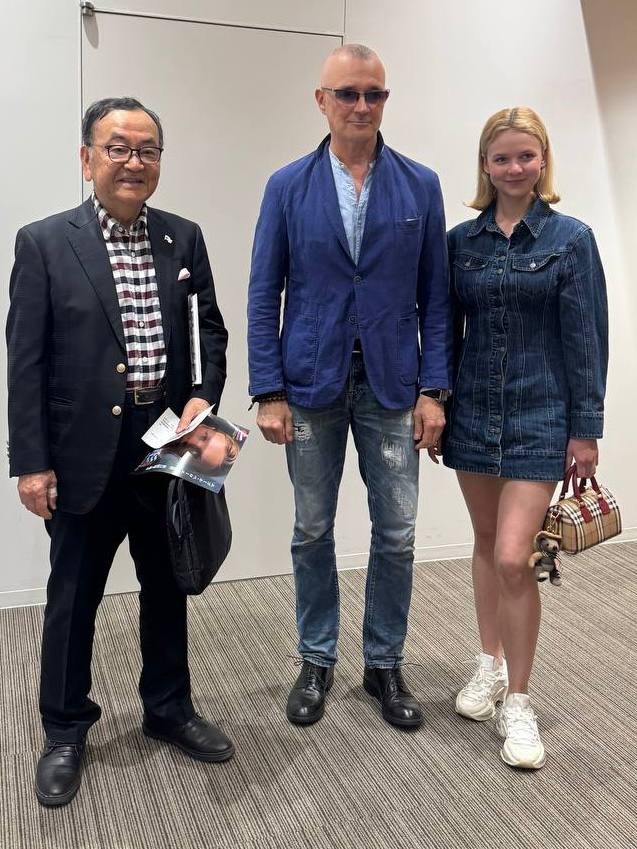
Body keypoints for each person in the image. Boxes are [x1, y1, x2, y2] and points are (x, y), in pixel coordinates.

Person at [6, 97, 233, 807]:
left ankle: (168, 708)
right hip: (82, 451)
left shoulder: (183, 238)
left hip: (165, 445)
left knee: (168, 583)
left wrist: (203, 396)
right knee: (74, 594)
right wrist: (31, 461)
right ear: (87, 159)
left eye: (147, 149)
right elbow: (25, 362)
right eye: (118, 148)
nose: (134, 161)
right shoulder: (45, 243)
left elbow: (209, 331)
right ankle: (65, 728)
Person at [247, 44, 453, 729]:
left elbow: (436, 298)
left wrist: (434, 389)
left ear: (384, 99)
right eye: (347, 93)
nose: (361, 106)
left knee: (396, 531)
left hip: (393, 385)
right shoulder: (287, 186)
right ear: (321, 100)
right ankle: (316, 657)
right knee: (312, 528)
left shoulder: (419, 185)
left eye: (373, 93)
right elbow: (263, 292)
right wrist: (268, 390)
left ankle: (383, 662)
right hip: (310, 383)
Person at [441, 107, 608, 768]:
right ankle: (487, 664)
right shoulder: (460, 242)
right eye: (502, 158)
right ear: (485, 165)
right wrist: (436, 402)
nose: (514, 168)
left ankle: (519, 697)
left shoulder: (571, 239)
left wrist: (586, 429)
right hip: (473, 412)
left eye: (525, 156)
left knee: (516, 557)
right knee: (486, 543)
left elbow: (586, 339)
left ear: (543, 161)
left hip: (541, 415)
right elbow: (444, 330)